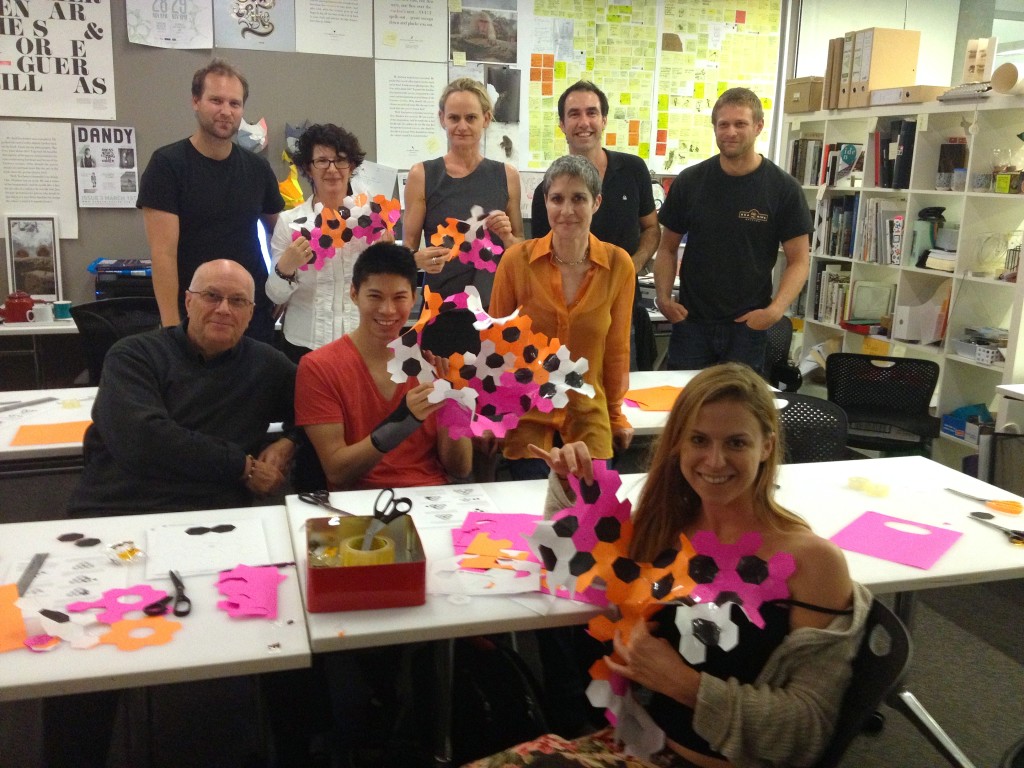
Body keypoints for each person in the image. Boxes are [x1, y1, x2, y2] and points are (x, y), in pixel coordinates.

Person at [467, 363, 870, 768]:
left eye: (736, 443)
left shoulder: (811, 562)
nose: (714, 461)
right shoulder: (667, 528)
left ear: (766, 446)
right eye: (699, 440)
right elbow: (577, 574)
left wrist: (686, 685)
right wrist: (570, 484)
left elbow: (808, 729)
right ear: (678, 443)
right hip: (635, 745)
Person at [67, 259, 298, 516]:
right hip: (122, 506)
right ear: (188, 302)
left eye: (237, 301)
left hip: (215, 513)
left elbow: (321, 409)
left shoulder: (267, 365)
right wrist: (243, 467)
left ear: (251, 313)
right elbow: (143, 439)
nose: (224, 309)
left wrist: (289, 442)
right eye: (212, 296)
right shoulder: (133, 355)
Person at [490, 154, 634, 480]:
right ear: (545, 202)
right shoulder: (516, 262)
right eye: (557, 199)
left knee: (590, 520)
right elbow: (496, 347)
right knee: (536, 521)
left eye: (578, 198)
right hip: (528, 422)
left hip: (588, 419)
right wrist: (493, 416)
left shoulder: (619, 265)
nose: (567, 210)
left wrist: (615, 416)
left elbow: (616, 350)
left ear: (596, 202)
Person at [654, 87, 812, 373]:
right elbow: (666, 248)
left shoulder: (783, 189)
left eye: (740, 124)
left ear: (758, 127)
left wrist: (775, 311)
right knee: (682, 407)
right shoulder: (691, 182)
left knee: (740, 411)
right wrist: (663, 299)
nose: (730, 132)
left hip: (747, 328)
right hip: (691, 322)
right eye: (723, 124)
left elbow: (799, 260)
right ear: (714, 128)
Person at [294, 241, 472, 490]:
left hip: (433, 500)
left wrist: (454, 405)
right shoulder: (318, 367)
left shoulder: (434, 363)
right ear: (354, 294)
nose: (387, 310)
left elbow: (461, 468)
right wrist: (404, 420)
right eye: (375, 296)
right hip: (359, 506)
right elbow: (337, 471)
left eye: (399, 297)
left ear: (414, 298)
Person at [137, 58, 285, 343]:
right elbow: (163, 255)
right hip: (194, 314)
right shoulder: (167, 165)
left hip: (250, 312)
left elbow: (279, 235)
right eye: (216, 100)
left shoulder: (257, 168)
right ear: (196, 101)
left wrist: (283, 285)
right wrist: (170, 328)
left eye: (234, 103)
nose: (226, 111)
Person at [531, 80, 660, 370]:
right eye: (574, 114)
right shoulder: (549, 191)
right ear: (562, 124)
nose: (584, 122)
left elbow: (652, 229)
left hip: (623, 306)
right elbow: (540, 259)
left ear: (603, 119)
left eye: (592, 112)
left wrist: (632, 266)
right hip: (568, 318)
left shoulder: (633, 170)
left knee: (623, 394)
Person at [403, 77, 524, 307]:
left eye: (471, 118)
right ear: (442, 119)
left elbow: (520, 250)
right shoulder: (422, 175)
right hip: (441, 307)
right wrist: (417, 259)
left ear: (486, 119)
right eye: (454, 118)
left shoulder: (507, 176)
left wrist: (507, 237)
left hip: (494, 308)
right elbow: (407, 249)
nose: (462, 126)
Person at [267, 122, 373, 361]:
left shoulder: (371, 221)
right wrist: (286, 267)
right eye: (322, 161)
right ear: (308, 168)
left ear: (351, 165)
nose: (332, 169)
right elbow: (275, 296)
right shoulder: (290, 222)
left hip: (359, 343)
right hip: (304, 345)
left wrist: (386, 254)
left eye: (340, 160)